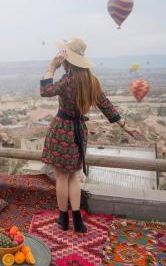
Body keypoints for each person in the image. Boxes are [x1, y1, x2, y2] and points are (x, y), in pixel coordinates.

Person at [40, 38, 141, 233]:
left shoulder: (67, 80)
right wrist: (125, 126)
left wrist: (52, 67)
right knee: (74, 177)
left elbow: (45, 90)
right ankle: (78, 220)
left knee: (62, 177)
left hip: (62, 130)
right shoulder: (92, 81)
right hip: (79, 132)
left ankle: (63, 219)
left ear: (68, 59)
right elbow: (106, 105)